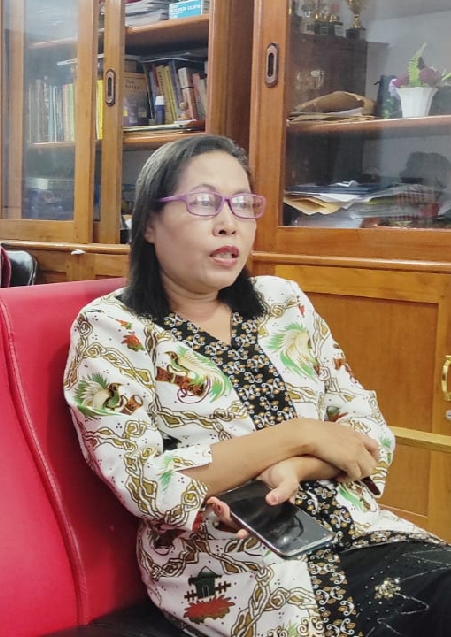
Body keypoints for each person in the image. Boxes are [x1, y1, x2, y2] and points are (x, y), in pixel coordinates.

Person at [62, 134, 450, 636]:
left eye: (243, 204)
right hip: (239, 569)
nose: (229, 222)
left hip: (364, 530)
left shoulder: (283, 302)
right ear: (149, 223)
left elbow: (370, 436)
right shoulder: (113, 328)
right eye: (204, 203)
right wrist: (300, 433)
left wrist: (297, 466)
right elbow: (147, 484)